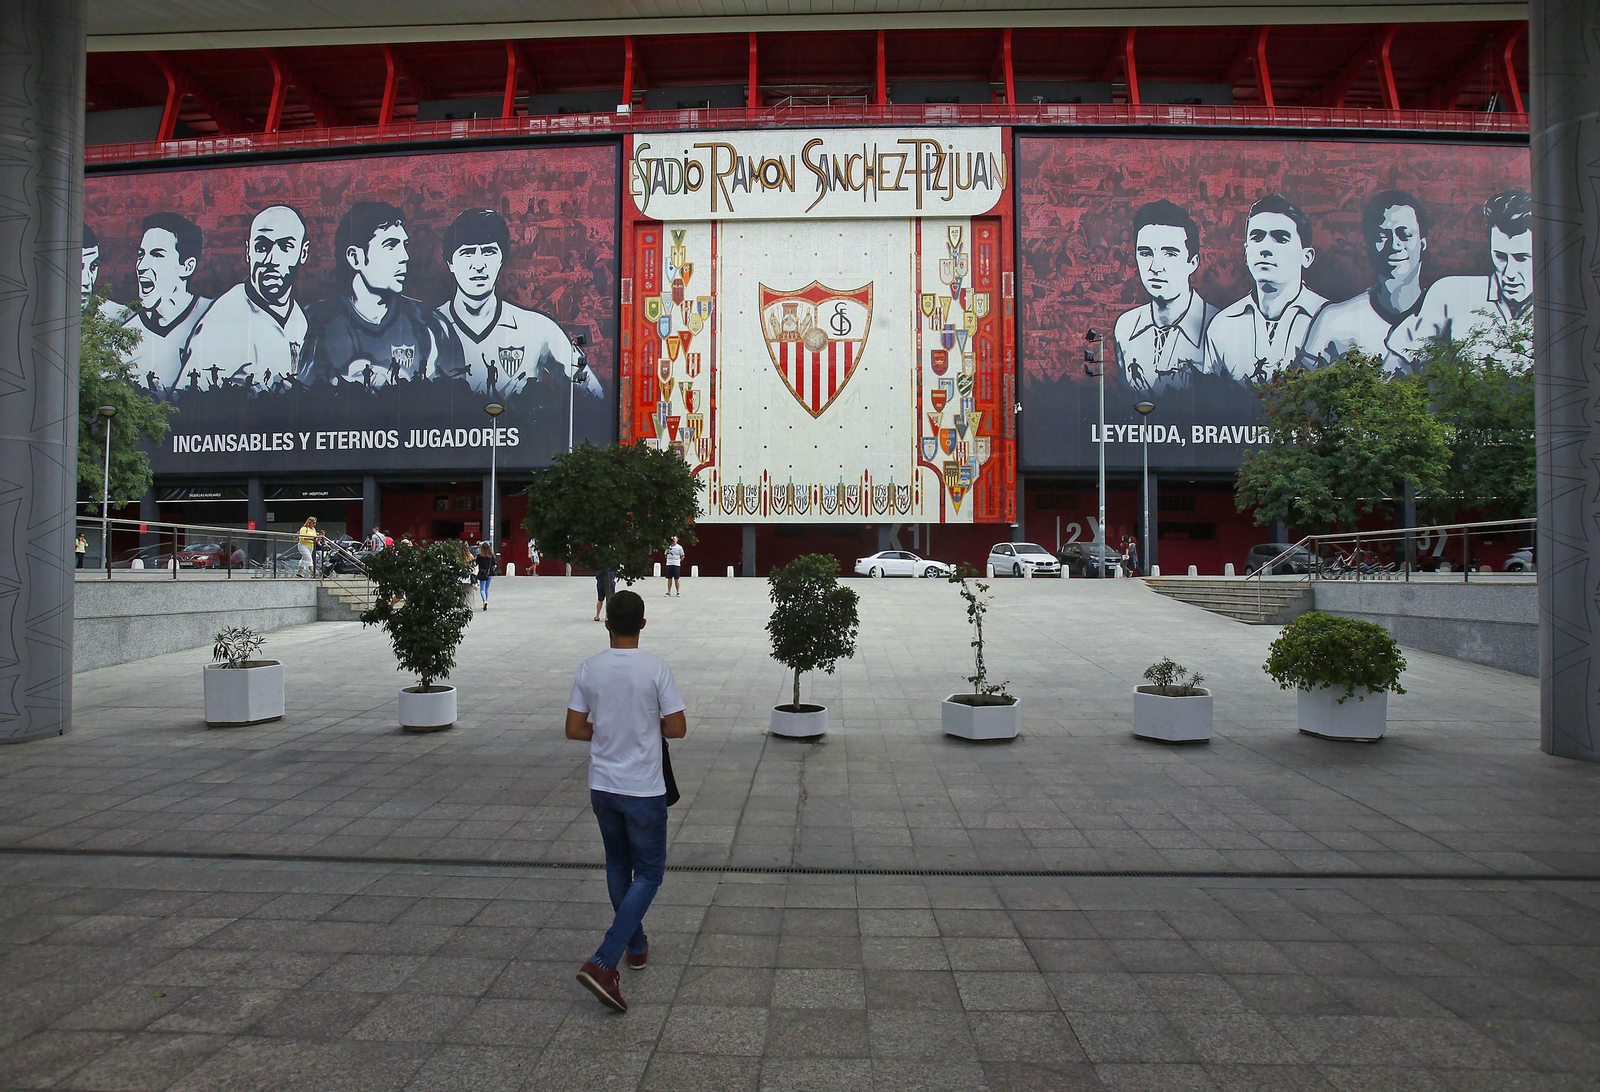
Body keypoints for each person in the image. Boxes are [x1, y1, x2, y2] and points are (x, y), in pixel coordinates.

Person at [566, 589, 688, 1012]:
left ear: (607, 624)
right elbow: (677, 728)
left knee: (619, 865)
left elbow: (575, 729)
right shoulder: (656, 668)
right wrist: (644, 724)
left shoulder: (590, 668)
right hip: (643, 789)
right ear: (643, 624)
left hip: (603, 785)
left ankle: (636, 946)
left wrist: (609, 730)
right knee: (649, 873)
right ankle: (604, 959)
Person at [436, 208, 604, 398]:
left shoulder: (539, 327)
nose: (479, 264)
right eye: (467, 253)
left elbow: (592, 390)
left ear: (502, 260)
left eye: (488, 252)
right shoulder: (427, 327)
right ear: (450, 262)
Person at [299, 200, 462, 386]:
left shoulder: (432, 325)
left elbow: (454, 400)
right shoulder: (313, 323)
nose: (404, 257)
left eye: (404, 245)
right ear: (355, 257)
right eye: (391, 245)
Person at [1385, 189, 1534, 372]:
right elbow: (1397, 365)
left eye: (1522, 258)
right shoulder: (1450, 295)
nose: (1509, 272)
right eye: (1500, 257)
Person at [184, 204, 311, 393]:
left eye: (285, 247)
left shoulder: (299, 317)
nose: (271, 260)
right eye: (261, 247)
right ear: (248, 252)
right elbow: (189, 398)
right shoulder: (225, 320)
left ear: (303, 253)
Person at [1202, 193, 1327, 383]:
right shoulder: (1222, 326)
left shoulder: (1329, 320)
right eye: (1257, 237)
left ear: (1306, 257)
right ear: (1246, 251)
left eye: (1281, 238)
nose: (1265, 248)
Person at [1304, 190, 1429, 364]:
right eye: (1382, 236)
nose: (1394, 245)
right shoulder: (1334, 321)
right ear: (1367, 245)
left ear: (1422, 244)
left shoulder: (1446, 319)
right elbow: (1303, 385)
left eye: (1405, 234)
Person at [1113, 200, 1217, 390]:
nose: (1155, 267)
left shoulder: (1219, 327)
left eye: (1170, 253)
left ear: (1192, 262)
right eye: (1145, 253)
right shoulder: (1125, 328)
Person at [122, 212, 212, 397]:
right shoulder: (124, 339)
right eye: (141, 255)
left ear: (187, 267)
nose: (141, 266)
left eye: (157, 255)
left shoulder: (214, 318)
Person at [476, 541, 496, 611]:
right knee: (487, 589)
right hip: (489, 573)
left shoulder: (480, 556)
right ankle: (485, 601)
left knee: (482, 589)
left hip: (482, 573)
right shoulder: (491, 556)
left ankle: (484, 601)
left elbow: (475, 563)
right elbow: (494, 565)